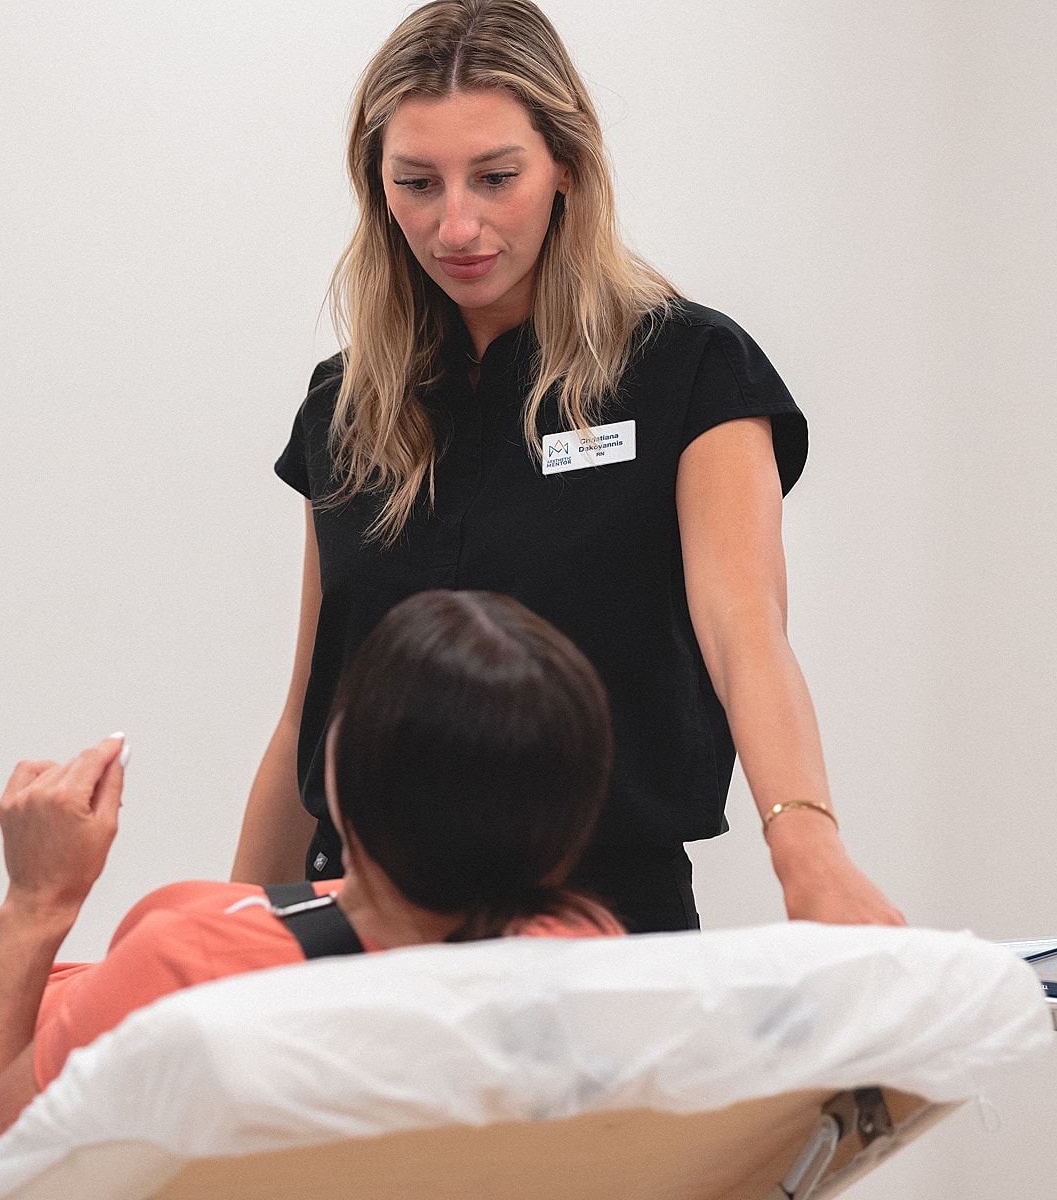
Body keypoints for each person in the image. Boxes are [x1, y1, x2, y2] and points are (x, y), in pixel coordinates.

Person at [229, 0, 904, 933]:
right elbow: (312, 701)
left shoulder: (688, 371)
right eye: (418, 183)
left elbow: (743, 629)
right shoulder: (347, 405)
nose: (456, 226)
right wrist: (226, 936)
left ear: (566, 171)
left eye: (495, 177)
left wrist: (809, 854)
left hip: (597, 923)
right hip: (363, 928)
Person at [0, 590, 622, 1193]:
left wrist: (38, 897)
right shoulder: (580, 955)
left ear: (341, 777)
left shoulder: (195, 968)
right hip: (63, 1035)